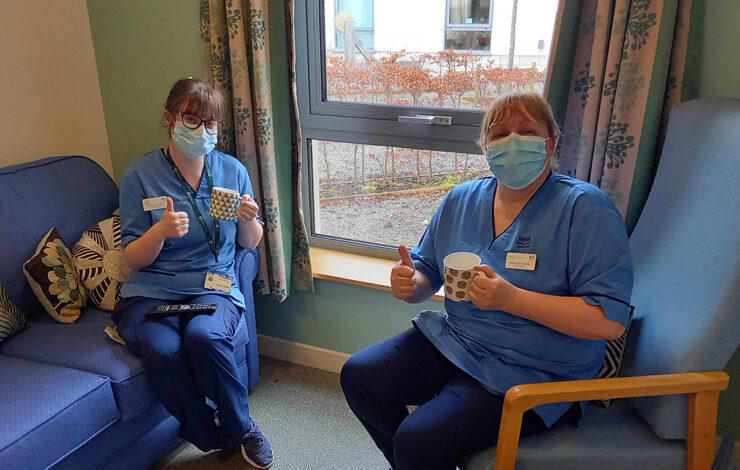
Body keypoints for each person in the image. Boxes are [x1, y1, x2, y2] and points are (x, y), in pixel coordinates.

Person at [340, 92, 633, 470]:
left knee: (418, 439)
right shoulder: (461, 199)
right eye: (499, 133)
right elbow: (427, 270)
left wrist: (513, 299)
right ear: (485, 146)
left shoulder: (584, 208)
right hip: (458, 343)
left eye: (527, 130)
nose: (513, 141)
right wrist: (409, 283)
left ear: (551, 142)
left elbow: (608, 321)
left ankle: (417, 455)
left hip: (535, 370)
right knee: (361, 376)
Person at [113, 78, 274, 468]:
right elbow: (132, 259)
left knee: (204, 337)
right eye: (191, 118)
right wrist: (160, 231)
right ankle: (209, 433)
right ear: (169, 118)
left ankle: (243, 426)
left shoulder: (231, 171)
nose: (203, 130)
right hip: (151, 290)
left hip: (211, 285)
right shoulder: (140, 175)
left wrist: (251, 221)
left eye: (212, 123)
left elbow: (249, 243)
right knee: (163, 352)